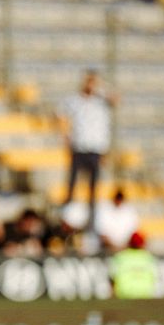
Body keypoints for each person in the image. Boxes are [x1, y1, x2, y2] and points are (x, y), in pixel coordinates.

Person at [59, 70, 118, 228]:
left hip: (96, 149)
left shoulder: (101, 101)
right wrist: (66, 138)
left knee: (93, 187)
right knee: (72, 184)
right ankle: (66, 217)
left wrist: (101, 87)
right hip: (79, 147)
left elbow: (115, 100)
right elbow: (60, 116)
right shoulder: (74, 101)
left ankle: (91, 218)